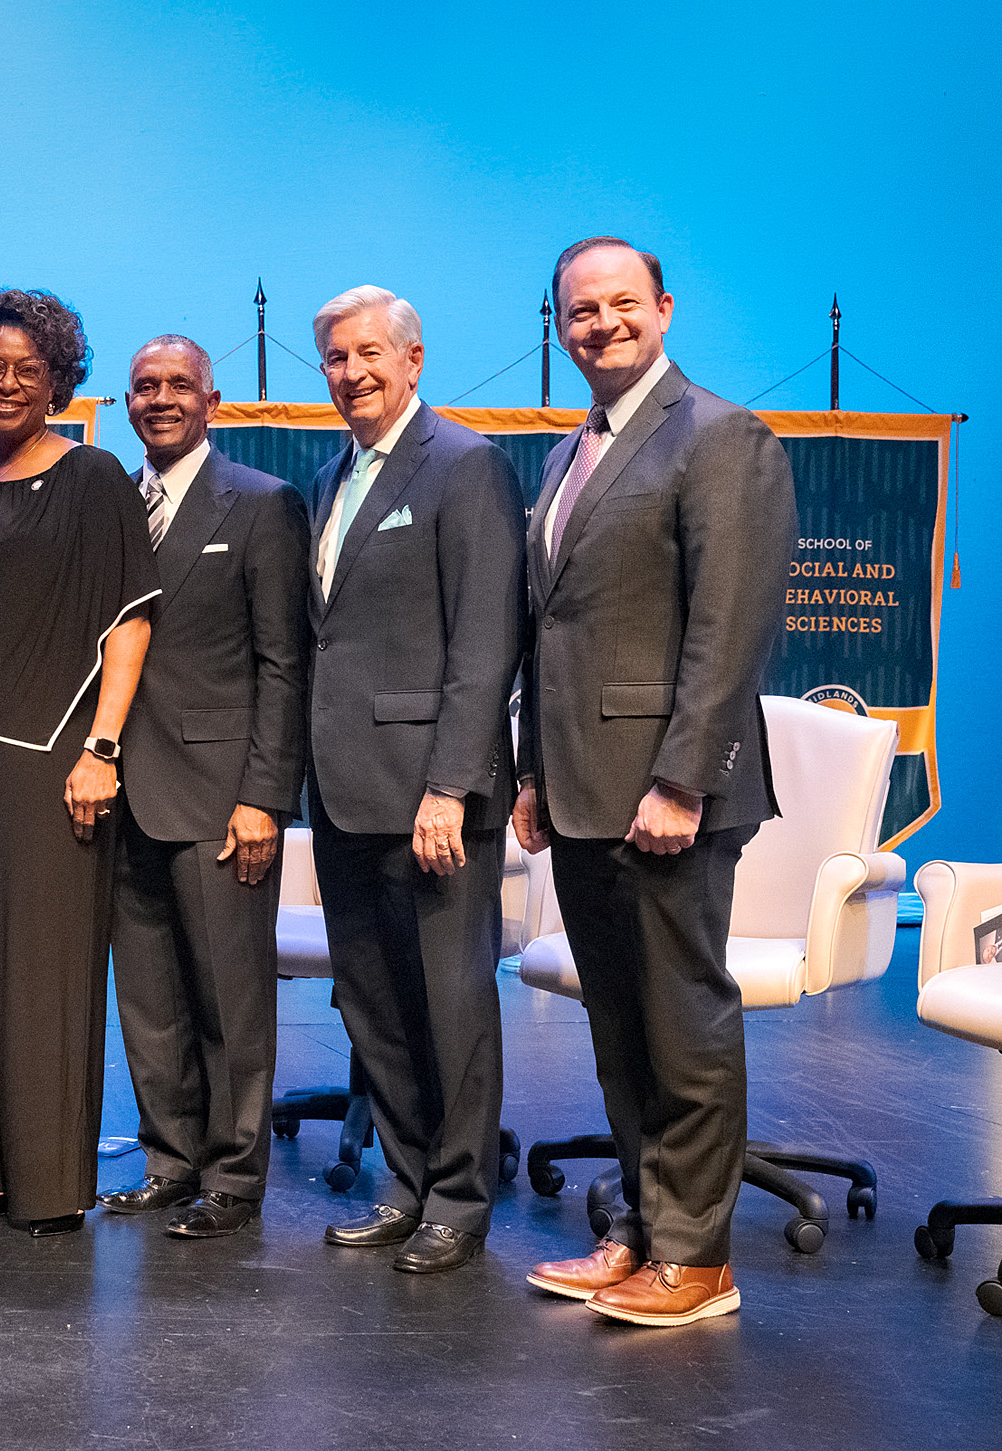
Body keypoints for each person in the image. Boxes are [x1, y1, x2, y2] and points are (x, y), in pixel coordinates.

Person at [519, 237, 797, 1327]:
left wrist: (683, 780)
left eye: (621, 303)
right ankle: (637, 1228)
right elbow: (557, 633)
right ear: (560, 325)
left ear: (665, 308)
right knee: (620, 1025)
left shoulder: (724, 437)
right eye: (580, 310)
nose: (601, 323)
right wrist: (535, 773)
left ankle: (698, 1255)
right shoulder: (567, 454)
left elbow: (732, 631)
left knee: (680, 1021)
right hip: (584, 786)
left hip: (666, 792)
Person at [0, 288, 157, 1237]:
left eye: (30, 369)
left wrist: (103, 747)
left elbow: (130, 621)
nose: (8, 384)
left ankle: (50, 1181)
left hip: (50, 751)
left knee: (44, 965)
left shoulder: (93, 479)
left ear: (58, 382)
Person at [304, 286, 524, 1274]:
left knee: (451, 1006)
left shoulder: (465, 466)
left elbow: (486, 640)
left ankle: (461, 1196)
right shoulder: (329, 478)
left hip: (432, 794)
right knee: (374, 1004)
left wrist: (452, 785)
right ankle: (405, 1180)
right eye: (336, 360)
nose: (352, 373)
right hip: (345, 789)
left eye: (367, 354)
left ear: (413, 358)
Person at [100, 336, 310, 1239]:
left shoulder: (263, 505)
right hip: (120, 797)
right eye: (145, 386)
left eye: (178, 384)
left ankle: (233, 1175)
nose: (160, 399)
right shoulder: (109, 505)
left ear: (211, 399)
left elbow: (283, 662)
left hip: (222, 798)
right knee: (147, 1002)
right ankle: (168, 1159)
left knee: (229, 1000)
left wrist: (263, 796)